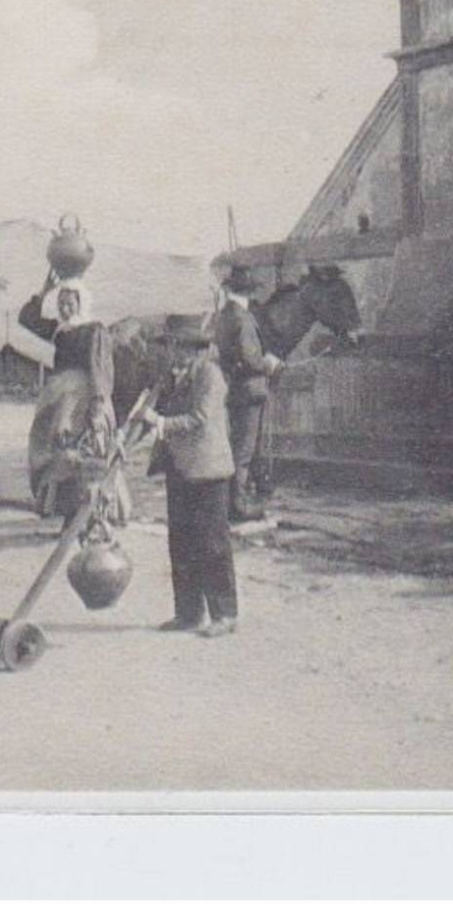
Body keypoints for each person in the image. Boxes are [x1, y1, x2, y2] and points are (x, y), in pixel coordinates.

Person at [142, 314, 239, 638]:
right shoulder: (173, 378)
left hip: (208, 471)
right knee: (181, 543)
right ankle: (188, 613)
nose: (174, 353)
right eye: (171, 346)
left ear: (196, 349)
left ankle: (224, 615)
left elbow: (199, 418)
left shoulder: (210, 375)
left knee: (212, 543)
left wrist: (160, 422)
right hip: (180, 468)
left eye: (180, 347)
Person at [18, 270, 129, 525]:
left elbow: (100, 368)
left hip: (86, 401)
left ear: (81, 302)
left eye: (70, 303)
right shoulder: (60, 330)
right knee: (58, 450)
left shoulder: (94, 330)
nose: (65, 308)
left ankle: (94, 515)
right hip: (59, 402)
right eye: (61, 303)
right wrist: (44, 290)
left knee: (87, 452)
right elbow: (26, 319)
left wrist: (98, 405)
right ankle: (69, 513)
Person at [214, 265, 282, 522]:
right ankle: (238, 505)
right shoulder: (241, 318)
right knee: (244, 449)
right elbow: (250, 358)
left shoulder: (225, 315)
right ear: (249, 291)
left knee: (241, 446)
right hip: (249, 390)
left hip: (237, 390)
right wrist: (270, 363)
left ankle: (235, 501)